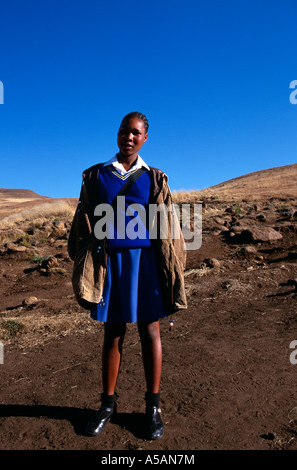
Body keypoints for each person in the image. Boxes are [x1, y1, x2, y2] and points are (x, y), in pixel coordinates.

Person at [68, 111, 187, 440]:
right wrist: (81, 260)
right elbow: (84, 223)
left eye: (135, 133)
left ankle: (153, 407)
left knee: (151, 331)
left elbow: (168, 230)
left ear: (144, 138)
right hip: (110, 265)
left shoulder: (155, 178)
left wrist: (173, 269)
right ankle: (107, 404)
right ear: (117, 134)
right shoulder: (95, 177)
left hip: (145, 263)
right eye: (124, 131)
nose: (128, 137)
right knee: (113, 333)